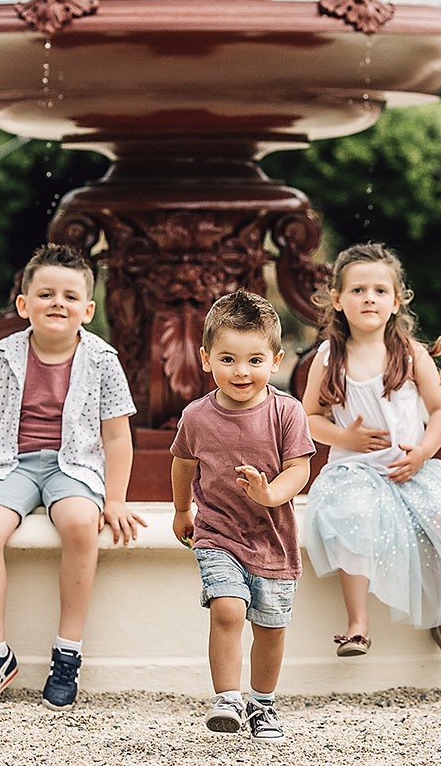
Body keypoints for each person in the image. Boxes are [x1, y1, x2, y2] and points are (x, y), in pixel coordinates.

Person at [0, 243, 144, 710]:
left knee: (80, 525)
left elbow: (116, 438)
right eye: (45, 294)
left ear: (87, 310)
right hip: (14, 463)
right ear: (24, 305)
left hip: (75, 466)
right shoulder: (3, 356)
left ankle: (67, 651)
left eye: (70, 296)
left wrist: (115, 499)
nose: (57, 304)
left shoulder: (103, 361)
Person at [301, 242, 441, 672]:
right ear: (337, 299)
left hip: (410, 470)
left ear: (396, 301)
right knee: (352, 515)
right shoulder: (328, 357)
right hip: (353, 471)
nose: (369, 298)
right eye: (357, 290)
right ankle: (357, 622)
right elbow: (307, 416)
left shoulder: (411, 354)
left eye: (379, 291)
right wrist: (344, 436)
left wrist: (424, 451)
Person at [170, 290, 315, 742]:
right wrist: (181, 509)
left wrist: (271, 494)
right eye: (228, 359)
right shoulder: (196, 416)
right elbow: (183, 463)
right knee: (228, 610)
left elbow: (300, 469)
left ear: (275, 361)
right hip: (218, 533)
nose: (241, 371)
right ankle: (228, 698)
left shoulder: (286, 412)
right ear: (206, 359)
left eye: (254, 360)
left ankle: (263, 704)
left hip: (273, 538)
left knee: (270, 629)